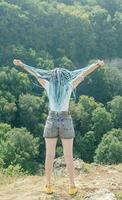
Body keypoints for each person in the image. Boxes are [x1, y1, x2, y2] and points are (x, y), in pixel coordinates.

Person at [13, 59, 104, 195]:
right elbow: (83, 74)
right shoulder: (69, 86)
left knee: (49, 155)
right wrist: (97, 65)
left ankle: (48, 185)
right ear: (63, 78)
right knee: (69, 155)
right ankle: (72, 186)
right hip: (65, 120)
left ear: (53, 78)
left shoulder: (49, 86)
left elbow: (36, 74)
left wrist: (21, 65)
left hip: (51, 119)